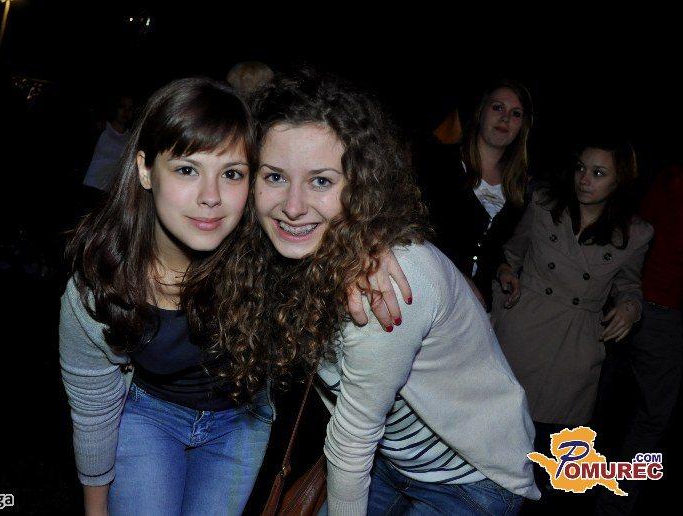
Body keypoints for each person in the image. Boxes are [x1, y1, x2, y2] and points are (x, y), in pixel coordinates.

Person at [60, 77, 407, 516]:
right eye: (187, 169)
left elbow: (336, 216)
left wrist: (370, 246)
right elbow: (92, 409)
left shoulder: (270, 252)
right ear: (146, 169)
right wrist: (96, 510)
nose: (211, 197)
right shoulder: (102, 283)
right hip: (148, 416)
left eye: (232, 174)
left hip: (240, 424)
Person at [206, 69, 540, 515]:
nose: (293, 206)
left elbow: (352, 441)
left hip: (469, 476)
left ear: (360, 185)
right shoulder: (282, 255)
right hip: (390, 459)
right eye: (275, 177)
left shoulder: (382, 285)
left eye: (321, 181)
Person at [491, 138, 653, 464]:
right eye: (581, 168)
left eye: (598, 173)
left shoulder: (634, 234)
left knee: (543, 455)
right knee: (493, 435)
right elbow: (511, 253)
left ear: (618, 181)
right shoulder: (544, 204)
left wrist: (629, 309)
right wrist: (506, 271)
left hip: (572, 349)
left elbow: (629, 286)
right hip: (522, 329)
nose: (584, 179)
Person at [596, 163, 683, 515]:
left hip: (628, 297)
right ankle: (613, 505)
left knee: (611, 406)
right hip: (654, 306)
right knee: (649, 417)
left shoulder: (666, 176)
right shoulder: (670, 179)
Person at [417, 80, 533, 310]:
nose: (505, 118)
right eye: (497, 107)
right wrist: (458, 277)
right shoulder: (439, 163)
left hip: (473, 306)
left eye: (516, 113)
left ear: (522, 125)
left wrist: (502, 269)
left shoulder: (517, 188)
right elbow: (416, 231)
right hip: (426, 289)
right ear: (481, 112)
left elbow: (488, 246)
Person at [82, 94, 134, 194]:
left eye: (130, 108)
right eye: (122, 106)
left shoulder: (131, 139)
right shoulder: (101, 128)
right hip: (88, 188)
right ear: (115, 108)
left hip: (108, 194)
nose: (126, 112)